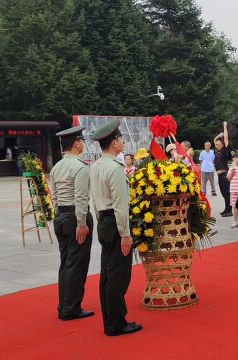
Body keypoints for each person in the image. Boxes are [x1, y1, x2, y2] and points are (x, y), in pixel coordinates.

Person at [89, 119, 141, 336]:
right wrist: (125, 234)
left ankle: (110, 321)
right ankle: (117, 323)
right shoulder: (116, 168)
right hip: (116, 222)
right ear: (113, 144)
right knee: (119, 276)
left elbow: (94, 198)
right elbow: (120, 206)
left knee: (108, 275)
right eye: (120, 139)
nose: (123, 141)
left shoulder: (96, 166)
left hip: (103, 220)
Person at [49, 125, 94, 321]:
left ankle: (64, 304)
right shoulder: (80, 167)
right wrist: (82, 223)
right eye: (82, 141)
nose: (83, 144)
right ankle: (71, 308)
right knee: (77, 264)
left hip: (60, 216)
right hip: (75, 217)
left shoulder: (57, 166)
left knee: (66, 263)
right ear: (77, 144)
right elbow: (81, 199)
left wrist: (59, 216)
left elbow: (55, 197)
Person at [214, 122, 232, 217]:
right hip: (219, 176)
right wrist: (218, 135)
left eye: (218, 144)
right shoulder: (218, 151)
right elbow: (214, 140)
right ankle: (226, 209)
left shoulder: (225, 150)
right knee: (224, 193)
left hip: (224, 175)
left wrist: (225, 127)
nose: (216, 145)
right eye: (216, 144)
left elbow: (225, 138)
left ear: (222, 144)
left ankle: (229, 211)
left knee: (227, 193)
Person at [227, 153, 238, 229]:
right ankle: (235, 221)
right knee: (235, 206)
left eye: (237, 158)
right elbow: (228, 179)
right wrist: (232, 173)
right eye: (234, 158)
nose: (235, 159)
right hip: (233, 189)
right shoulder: (231, 168)